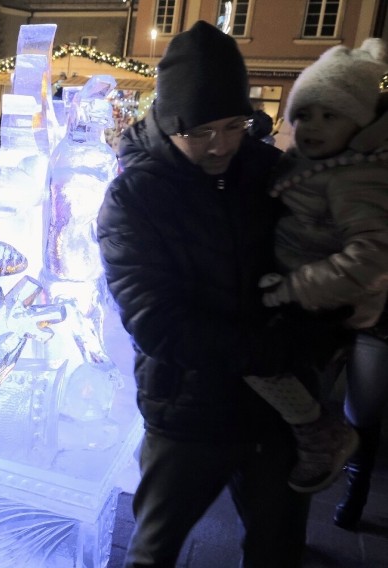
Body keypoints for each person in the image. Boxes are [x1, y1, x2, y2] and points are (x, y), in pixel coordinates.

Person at [97, 21, 350, 568]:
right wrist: (270, 351)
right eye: (202, 132)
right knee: (154, 550)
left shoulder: (269, 172)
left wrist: (322, 329)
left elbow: (324, 253)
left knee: (277, 549)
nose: (222, 146)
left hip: (275, 414)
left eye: (235, 125)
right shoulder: (132, 198)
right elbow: (155, 322)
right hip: (187, 412)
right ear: (169, 124)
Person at [256, 38, 388, 530]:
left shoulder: (357, 176)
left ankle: (323, 439)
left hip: (320, 302)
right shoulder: (314, 164)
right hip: (305, 291)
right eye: (305, 114)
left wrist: (293, 288)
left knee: (260, 359)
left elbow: (370, 255)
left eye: (331, 116)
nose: (313, 127)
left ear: (359, 124)